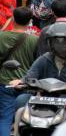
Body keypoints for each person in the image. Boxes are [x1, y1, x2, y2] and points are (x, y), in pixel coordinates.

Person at [11, 23, 66, 133]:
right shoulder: (44, 59)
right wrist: (20, 82)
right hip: (42, 103)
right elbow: (29, 77)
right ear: (50, 42)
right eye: (56, 41)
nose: (60, 45)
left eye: (64, 41)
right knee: (21, 103)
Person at [0, 7, 38, 136]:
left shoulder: (2, 37)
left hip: (5, 82)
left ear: (13, 19)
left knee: (5, 118)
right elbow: (37, 63)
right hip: (25, 84)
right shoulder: (34, 40)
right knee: (28, 118)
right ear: (30, 21)